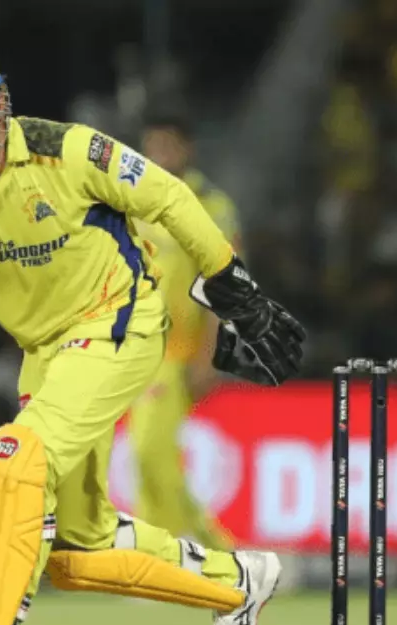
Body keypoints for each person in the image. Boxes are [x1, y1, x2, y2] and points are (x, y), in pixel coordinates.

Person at [0, 38, 307, 625]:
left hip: (117, 324)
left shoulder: (67, 150)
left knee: (13, 458)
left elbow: (169, 197)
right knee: (76, 548)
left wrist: (231, 287)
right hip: (46, 354)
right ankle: (238, 582)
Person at [128, 111, 242, 551]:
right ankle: (187, 554)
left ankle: (195, 552)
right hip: (133, 349)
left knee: (149, 453)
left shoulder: (210, 206)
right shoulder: (132, 200)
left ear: (186, 148)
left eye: (167, 145)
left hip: (177, 353)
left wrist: (210, 353)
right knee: (150, 458)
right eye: (151, 146)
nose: (158, 155)